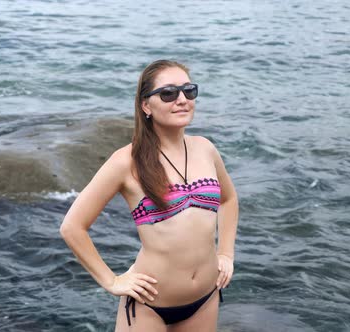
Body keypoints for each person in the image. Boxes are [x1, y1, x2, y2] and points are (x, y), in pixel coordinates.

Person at [60, 59, 239, 332]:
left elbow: (228, 200)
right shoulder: (126, 162)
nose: (181, 99)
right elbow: (72, 227)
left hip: (205, 298)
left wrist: (226, 253)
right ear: (146, 105)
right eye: (168, 93)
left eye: (188, 91)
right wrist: (111, 281)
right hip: (149, 305)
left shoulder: (205, 149)